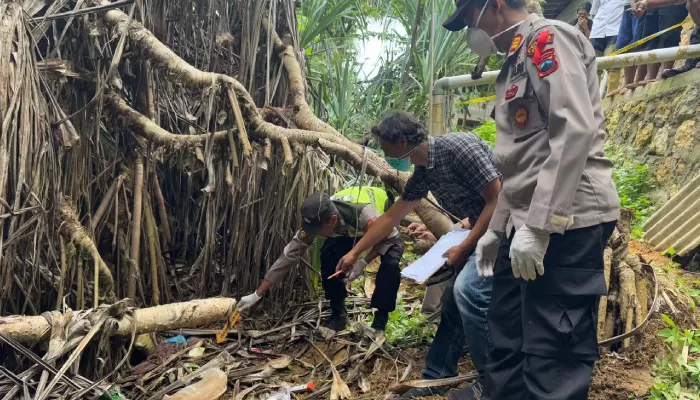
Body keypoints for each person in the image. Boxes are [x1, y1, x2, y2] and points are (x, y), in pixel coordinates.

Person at [441, 0, 621, 399]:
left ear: (497, 4)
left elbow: (573, 130)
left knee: (553, 348)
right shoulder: (513, 62)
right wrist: (497, 230)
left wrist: (540, 224)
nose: (471, 30)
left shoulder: (548, 40)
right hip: (523, 217)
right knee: (506, 335)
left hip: (570, 219)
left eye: (471, 17)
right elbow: (519, 164)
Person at [336, 111, 502, 399]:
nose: (386, 156)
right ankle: (437, 377)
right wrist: (355, 254)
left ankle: (495, 383)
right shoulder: (424, 172)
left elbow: (498, 198)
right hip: (481, 229)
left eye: (386, 149)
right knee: (452, 298)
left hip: (509, 227)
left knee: (469, 291)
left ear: (402, 141)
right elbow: (390, 217)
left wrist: (464, 247)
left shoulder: (459, 148)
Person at [236, 187, 404, 332]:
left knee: (390, 264)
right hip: (349, 230)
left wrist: (363, 262)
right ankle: (338, 314)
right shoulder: (318, 218)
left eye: (317, 228)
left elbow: (387, 237)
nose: (313, 232)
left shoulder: (364, 214)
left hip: (385, 225)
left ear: (331, 220)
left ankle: (380, 322)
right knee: (329, 254)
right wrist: (257, 294)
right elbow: (288, 256)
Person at [634, 0, 689, 84]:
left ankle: (664, 71)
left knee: (668, 35)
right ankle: (650, 75)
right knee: (651, 36)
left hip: (673, 4)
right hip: (652, 3)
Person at [607, 0, 647, 95]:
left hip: (643, 4)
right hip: (628, 5)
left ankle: (639, 80)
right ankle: (627, 82)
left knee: (639, 43)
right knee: (624, 46)